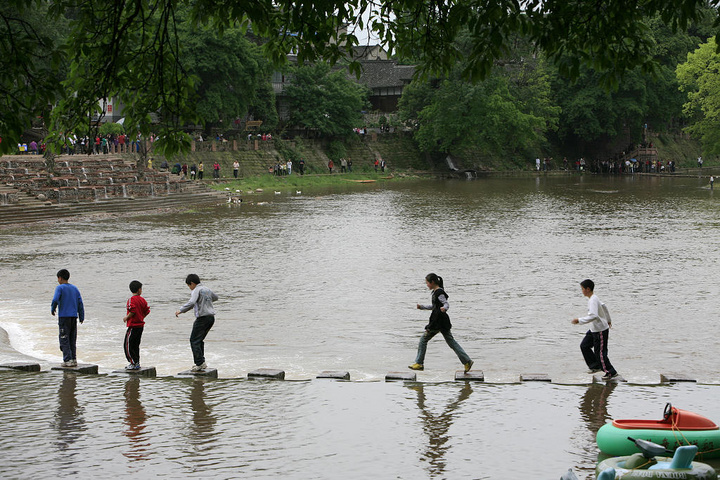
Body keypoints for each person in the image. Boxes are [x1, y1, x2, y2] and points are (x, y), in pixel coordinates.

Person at [408, 273, 474, 373]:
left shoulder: (439, 293)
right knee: (451, 342)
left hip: (438, 321)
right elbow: (434, 307)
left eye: (427, 283)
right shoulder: (436, 292)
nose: (426, 285)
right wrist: (422, 307)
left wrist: (445, 308)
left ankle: (419, 363)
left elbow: (446, 304)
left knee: (423, 340)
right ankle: (467, 361)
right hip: (442, 321)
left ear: (432, 282)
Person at [571, 279, 619, 381]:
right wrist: (608, 320)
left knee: (600, 353)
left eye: (582, 289)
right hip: (593, 329)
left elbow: (593, 315)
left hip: (600, 330)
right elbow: (604, 306)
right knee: (584, 345)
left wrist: (579, 320)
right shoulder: (593, 298)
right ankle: (595, 366)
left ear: (588, 289)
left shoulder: (593, 300)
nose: (582, 291)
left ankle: (610, 372)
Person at [175, 274, 218, 372]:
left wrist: (180, 310)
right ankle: (202, 362)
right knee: (199, 340)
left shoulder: (196, 290)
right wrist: (206, 301)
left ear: (192, 283)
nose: (190, 288)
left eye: (189, 286)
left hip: (202, 318)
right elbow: (215, 297)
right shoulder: (207, 289)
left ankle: (199, 363)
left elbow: (191, 302)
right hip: (211, 318)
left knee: (194, 340)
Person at [51, 269, 85, 367]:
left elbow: (55, 299)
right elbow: (80, 303)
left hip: (64, 317)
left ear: (60, 278)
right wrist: (81, 316)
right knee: (72, 338)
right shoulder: (75, 288)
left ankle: (67, 359)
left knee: (64, 338)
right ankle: (73, 358)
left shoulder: (60, 288)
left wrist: (53, 308)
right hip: (73, 317)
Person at [123, 280, 150, 370]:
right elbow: (147, 311)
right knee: (136, 345)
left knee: (128, 345)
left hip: (133, 326)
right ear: (139, 290)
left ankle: (133, 362)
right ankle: (136, 362)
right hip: (140, 326)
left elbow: (132, 311)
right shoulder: (142, 300)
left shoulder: (131, 300)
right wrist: (141, 317)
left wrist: (127, 317)